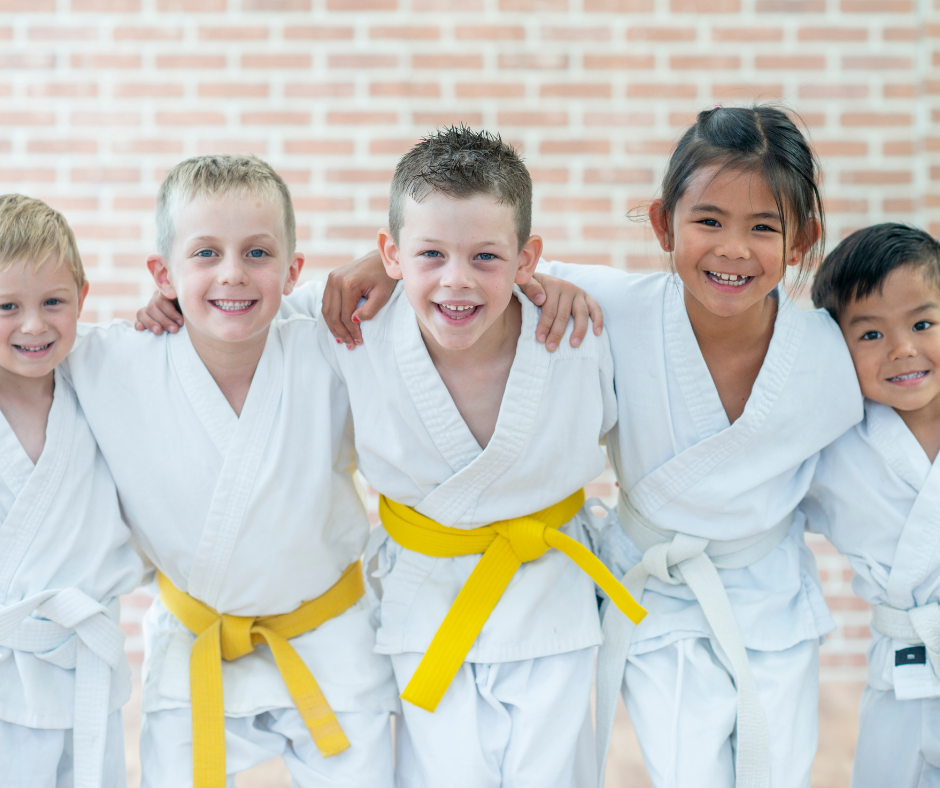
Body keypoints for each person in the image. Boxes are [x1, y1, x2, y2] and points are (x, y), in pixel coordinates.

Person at [312, 107, 864, 788]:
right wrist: (386, 264)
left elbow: (874, 442)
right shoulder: (615, 306)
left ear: (801, 239)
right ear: (664, 223)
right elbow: (472, 251)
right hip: (650, 590)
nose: (733, 249)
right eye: (709, 221)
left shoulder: (825, 356)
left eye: (763, 228)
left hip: (765, 590)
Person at [236, 126, 645, 788]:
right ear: (389, 253)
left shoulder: (578, 321)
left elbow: (677, 302)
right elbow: (237, 306)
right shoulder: (352, 320)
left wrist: (549, 279)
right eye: (430, 254)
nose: (457, 281)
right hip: (423, 603)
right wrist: (165, 303)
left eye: (486, 257)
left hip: (551, 602)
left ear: (528, 258)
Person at [64, 155, 399, 788]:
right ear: (162, 274)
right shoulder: (115, 363)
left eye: (257, 253)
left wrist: (380, 264)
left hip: (329, 636)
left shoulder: (333, 341)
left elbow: (454, 278)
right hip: (198, 644)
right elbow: (28, 341)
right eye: (205, 254)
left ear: (294, 271)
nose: (232, 275)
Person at [0, 194, 143, 788]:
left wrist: (169, 307)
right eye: (7, 306)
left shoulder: (103, 379)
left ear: (82, 298)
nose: (34, 325)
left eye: (53, 302)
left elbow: (197, 337)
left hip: (84, 668)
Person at [804, 223, 940, 788]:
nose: (903, 348)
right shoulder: (830, 443)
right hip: (901, 669)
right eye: (870, 335)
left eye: (923, 324)